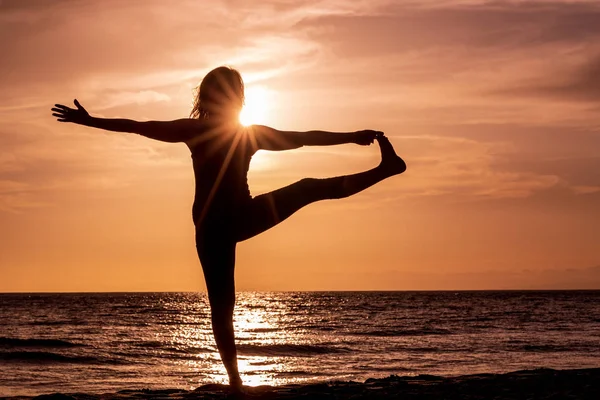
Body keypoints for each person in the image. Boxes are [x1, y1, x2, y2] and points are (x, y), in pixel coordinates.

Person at [51, 66, 406, 391]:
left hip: (221, 222)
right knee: (226, 301)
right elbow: (139, 126)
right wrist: (91, 121)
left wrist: (351, 136)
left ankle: (236, 383)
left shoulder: (221, 132)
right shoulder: (225, 133)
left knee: (228, 300)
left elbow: (302, 137)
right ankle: (235, 383)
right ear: (232, 98)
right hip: (230, 221)